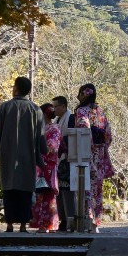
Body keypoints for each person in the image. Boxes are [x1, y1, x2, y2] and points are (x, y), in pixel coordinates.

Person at [0, 75, 45, 233]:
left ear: (17, 88)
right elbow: (41, 134)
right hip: (29, 155)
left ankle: (9, 224)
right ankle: (24, 225)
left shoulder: (4, 107)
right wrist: (41, 152)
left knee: (9, 188)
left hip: (8, 155)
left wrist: (2, 144)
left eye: (14, 86)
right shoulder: (35, 109)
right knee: (26, 189)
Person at [73, 82, 114, 229]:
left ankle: (88, 220)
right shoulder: (101, 111)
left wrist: (88, 147)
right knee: (98, 188)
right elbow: (108, 134)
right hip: (101, 152)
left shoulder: (81, 112)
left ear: (83, 95)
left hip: (87, 152)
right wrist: (103, 146)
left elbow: (83, 128)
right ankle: (96, 222)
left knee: (86, 187)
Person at [31, 102, 63, 233]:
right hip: (41, 164)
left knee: (47, 195)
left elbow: (53, 147)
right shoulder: (44, 128)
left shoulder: (53, 128)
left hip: (48, 165)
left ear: (44, 113)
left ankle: (47, 224)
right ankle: (43, 224)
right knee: (40, 194)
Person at [51, 93, 75, 230]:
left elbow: (72, 139)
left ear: (64, 106)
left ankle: (69, 219)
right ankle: (62, 220)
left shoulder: (71, 119)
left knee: (67, 191)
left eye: (56, 107)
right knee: (59, 191)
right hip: (58, 160)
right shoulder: (57, 121)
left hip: (67, 160)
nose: (54, 110)